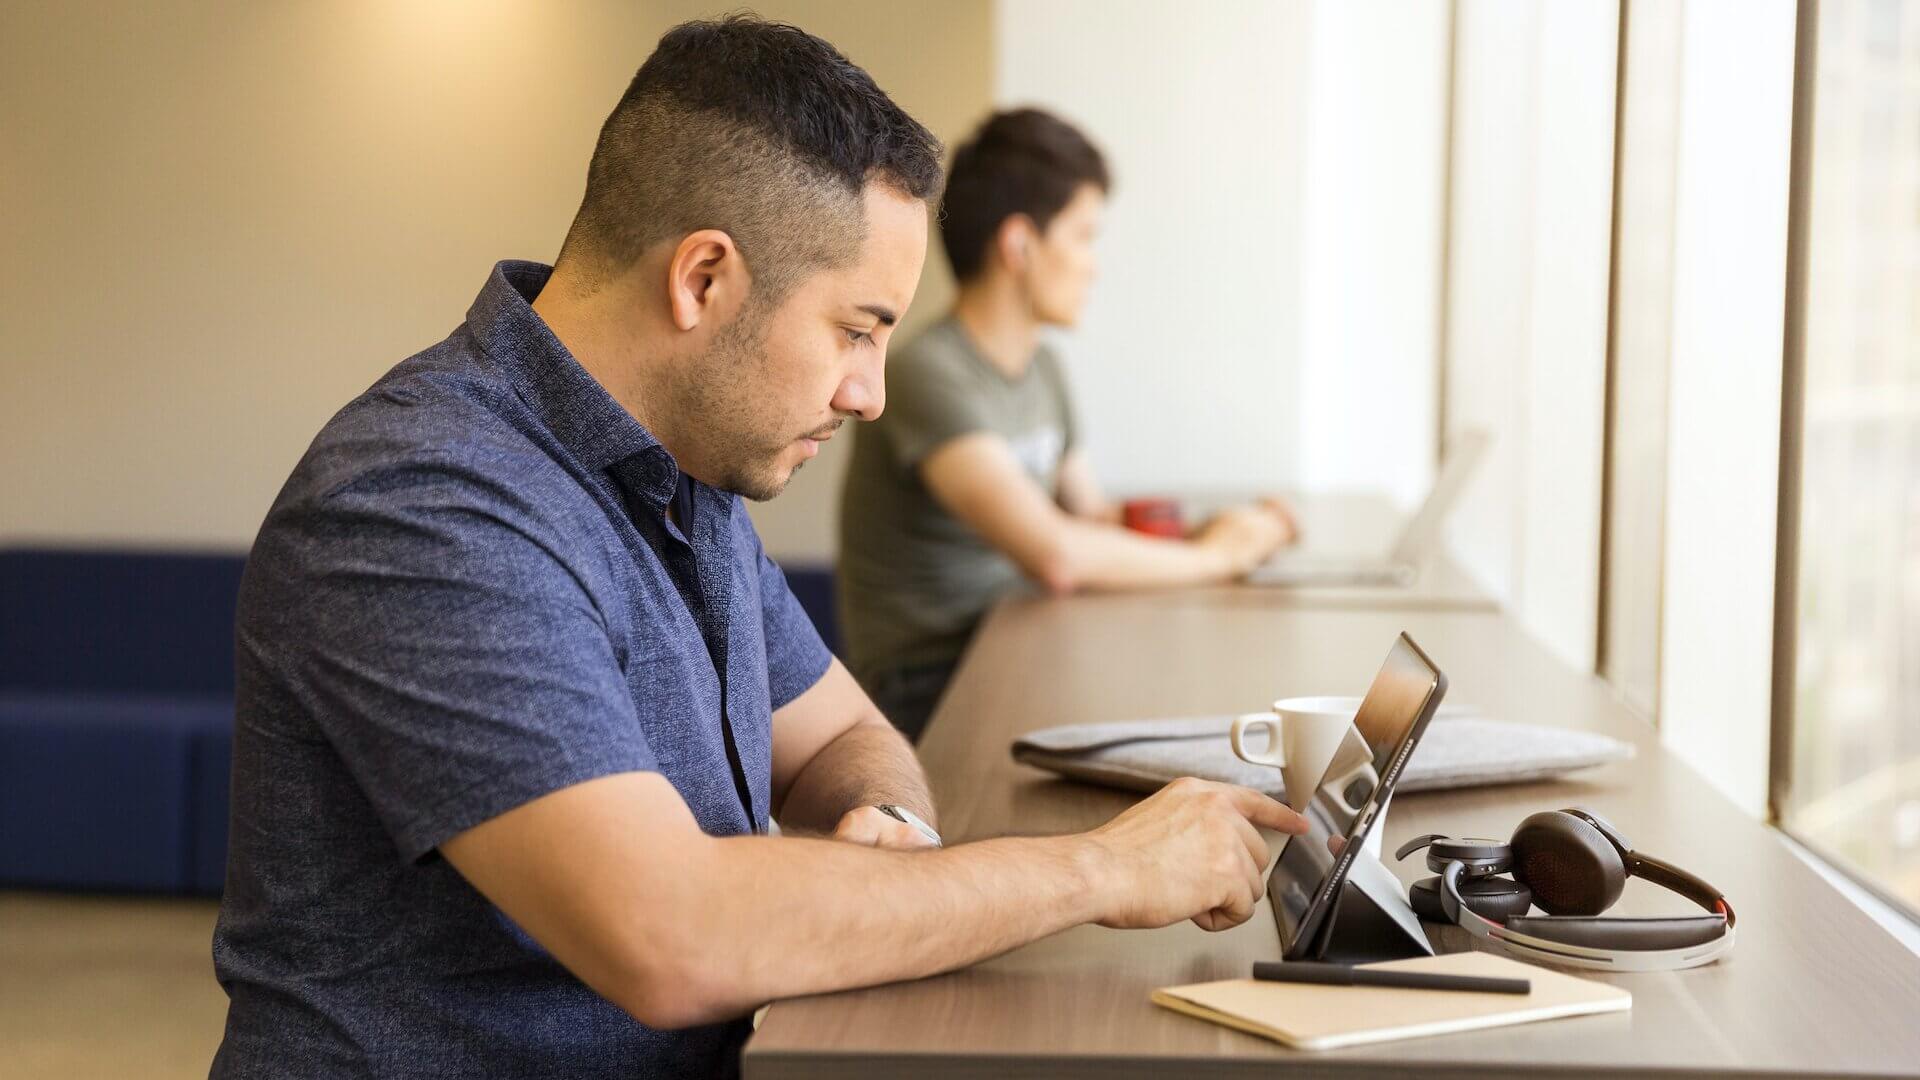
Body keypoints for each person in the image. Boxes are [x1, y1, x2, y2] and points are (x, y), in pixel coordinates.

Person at [209, 18, 1306, 1080]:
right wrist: (1103, 867)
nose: (870, 391)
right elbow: (668, 932)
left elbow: (842, 735)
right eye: (857, 330)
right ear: (703, 280)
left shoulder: (686, 469)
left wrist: (886, 827)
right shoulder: (422, 505)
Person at [837, 108, 1297, 741]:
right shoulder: (927, 373)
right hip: (936, 685)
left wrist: (1211, 529)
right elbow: (1056, 554)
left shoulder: (1043, 369)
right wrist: (1216, 559)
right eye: (1084, 236)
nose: (1094, 264)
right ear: (1020, 245)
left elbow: (1090, 518)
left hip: (1020, 639)